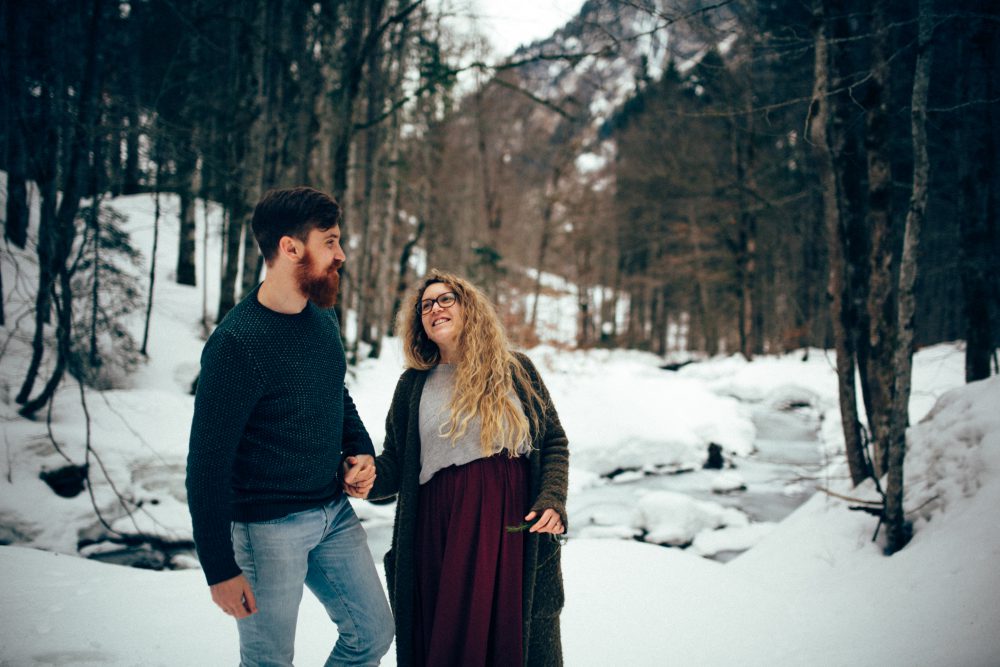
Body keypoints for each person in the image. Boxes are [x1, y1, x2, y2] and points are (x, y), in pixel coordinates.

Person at [186, 186, 394, 666]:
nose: (341, 255)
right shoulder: (237, 345)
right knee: (269, 662)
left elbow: (335, 392)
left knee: (372, 634)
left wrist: (360, 449)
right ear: (290, 247)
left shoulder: (321, 314)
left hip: (333, 513)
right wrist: (219, 569)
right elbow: (206, 466)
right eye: (331, 241)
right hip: (267, 529)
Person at [348, 270, 569, 666]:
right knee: (448, 637)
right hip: (441, 528)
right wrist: (365, 478)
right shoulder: (413, 385)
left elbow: (553, 440)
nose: (435, 308)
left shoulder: (516, 370)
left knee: (510, 636)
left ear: (469, 307)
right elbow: (396, 463)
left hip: (510, 527)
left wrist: (552, 499)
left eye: (445, 299)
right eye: (426, 305)